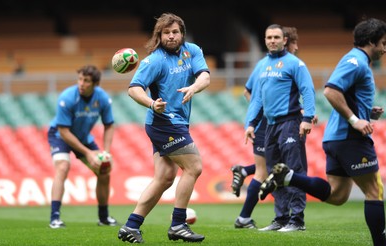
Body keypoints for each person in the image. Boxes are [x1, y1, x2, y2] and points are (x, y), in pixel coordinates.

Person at [260, 18, 386, 245]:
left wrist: (367, 111)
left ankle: (289, 177)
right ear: (371, 41)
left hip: (336, 138)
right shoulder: (356, 61)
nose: (385, 48)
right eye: (383, 43)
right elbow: (330, 91)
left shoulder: (356, 61)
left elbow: (345, 95)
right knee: (375, 190)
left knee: (337, 195)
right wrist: (355, 119)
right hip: (351, 138)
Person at [117, 13, 210, 243]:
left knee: (165, 177)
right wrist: (151, 103)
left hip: (175, 122)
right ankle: (178, 224)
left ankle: (131, 226)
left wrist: (194, 87)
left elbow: (205, 76)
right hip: (164, 122)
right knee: (194, 167)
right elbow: (134, 89)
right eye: (166, 32)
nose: (171, 36)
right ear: (159, 35)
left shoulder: (193, 51)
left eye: (175, 32)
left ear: (182, 34)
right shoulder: (154, 60)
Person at [245, 24, 316, 232]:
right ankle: (281, 218)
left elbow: (308, 91)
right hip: (270, 127)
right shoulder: (262, 65)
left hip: (291, 123)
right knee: (274, 174)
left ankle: (297, 220)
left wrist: (307, 118)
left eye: (276, 37)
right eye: (269, 37)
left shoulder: (295, 64)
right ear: (265, 40)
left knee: (294, 170)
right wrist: (250, 124)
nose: (272, 40)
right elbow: (257, 98)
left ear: (285, 40)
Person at [232, 26, 301, 230]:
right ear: (289, 43)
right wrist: (260, 112)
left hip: (275, 124)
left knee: (274, 167)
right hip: (266, 125)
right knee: (266, 172)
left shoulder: (288, 65)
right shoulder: (265, 65)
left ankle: (244, 171)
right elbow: (248, 92)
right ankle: (245, 218)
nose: (296, 49)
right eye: (295, 45)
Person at [47, 65, 117, 229]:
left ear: (95, 84)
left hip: (83, 137)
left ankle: (104, 217)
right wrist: (89, 153)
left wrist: (105, 152)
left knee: (104, 170)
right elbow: (64, 131)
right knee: (63, 167)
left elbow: (109, 125)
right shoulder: (67, 97)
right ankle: (54, 218)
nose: (81, 83)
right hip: (59, 136)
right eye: (80, 79)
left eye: (86, 81)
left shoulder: (103, 98)